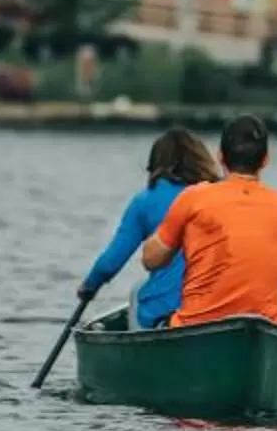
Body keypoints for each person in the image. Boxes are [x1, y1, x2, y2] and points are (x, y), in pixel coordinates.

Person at [139, 114, 277, 325]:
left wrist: (180, 240)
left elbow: (151, 260)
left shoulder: (192, 198)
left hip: (194, 328)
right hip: (261, 328)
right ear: (265, 160)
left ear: (220, 156)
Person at [82, 129, 221, 328]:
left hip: (168, 310)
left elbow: (111, 262)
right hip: (222, 305)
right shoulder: (224, 195)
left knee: (138, 293)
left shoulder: (146, 200)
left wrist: (89, 286)